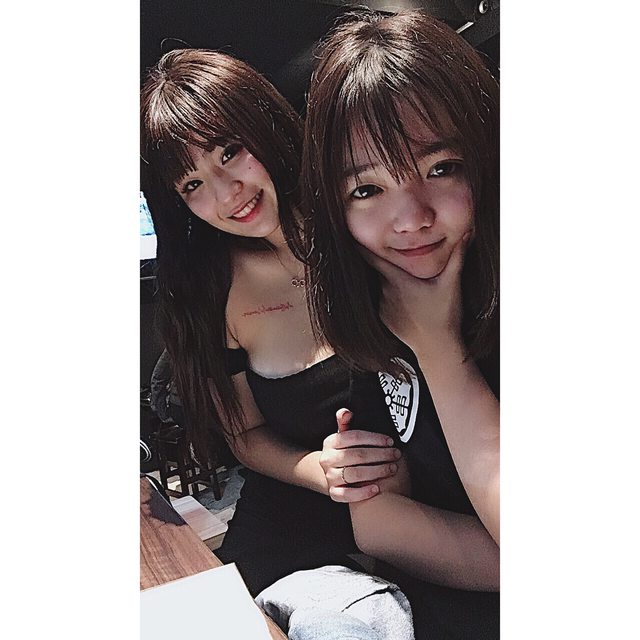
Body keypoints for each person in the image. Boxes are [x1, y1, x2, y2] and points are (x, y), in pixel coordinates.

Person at [139, 48, 404, 596]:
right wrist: (320, 470)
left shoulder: (366, 223)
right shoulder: (212, 293)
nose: (226, 194)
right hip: (293, 527)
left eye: (229, 153)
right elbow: (245, 435)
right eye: (192, 185)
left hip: (421, 511)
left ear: (264, 123)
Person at [301, 10, 500, 639]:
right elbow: (379, 525)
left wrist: (438, 347)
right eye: (367, 190)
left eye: (441, 168)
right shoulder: (379, 306)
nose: (411, 218)